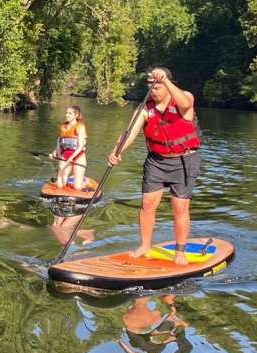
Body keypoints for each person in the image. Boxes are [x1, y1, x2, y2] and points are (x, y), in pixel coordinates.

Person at [108, 68, 201, 265]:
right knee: (148, 204)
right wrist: (117, 151)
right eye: (150, 87)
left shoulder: (184, 98)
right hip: (156, 161)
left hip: (184, 161)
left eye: (157, 87)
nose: (153, 91)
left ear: (168, 84)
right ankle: (144, 245)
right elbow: (130, 133)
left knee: (179, 207)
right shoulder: (144, 108)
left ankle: (180, 251)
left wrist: (165, 80)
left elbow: (186, 103)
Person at [50, 106, 88, 191]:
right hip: (65, 155)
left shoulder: (80, 127)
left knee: (77, 187)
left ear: (76, 115)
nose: (66, 115)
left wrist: (71, 158)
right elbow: (60, 141)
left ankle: (84, 181)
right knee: (60, 185)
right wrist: (54, 152)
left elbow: (80, 146)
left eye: (70, 113)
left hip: (78, 156)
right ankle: (69, 177)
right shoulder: (63, 126)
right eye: (66, 113)